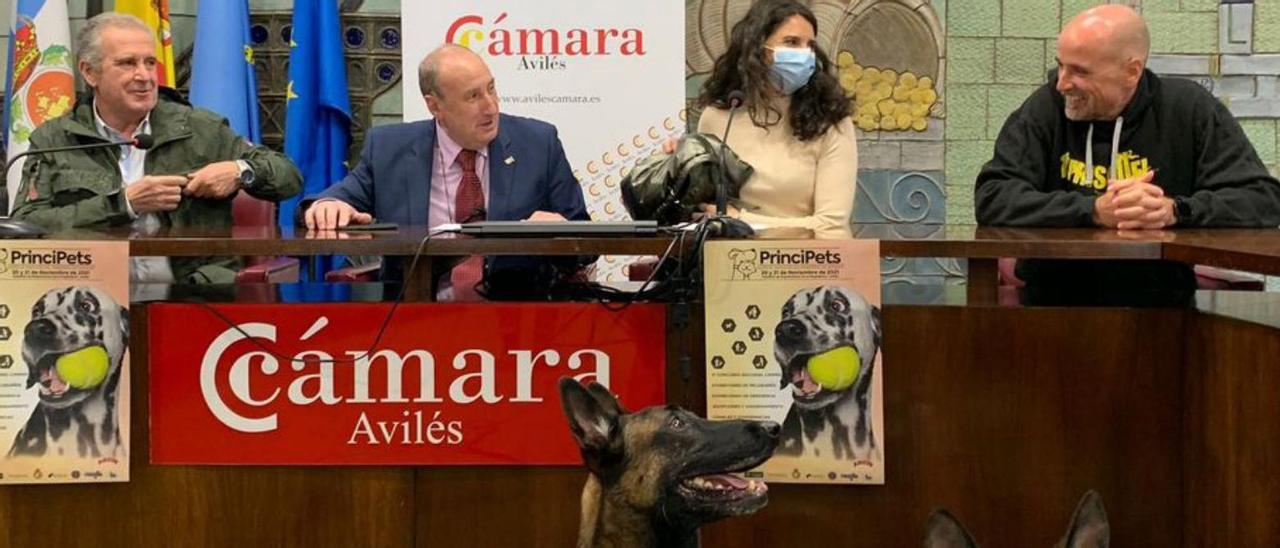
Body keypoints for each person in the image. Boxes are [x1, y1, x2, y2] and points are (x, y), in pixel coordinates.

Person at [975, 5, 1280, 299]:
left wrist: (1173, 211)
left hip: (1165, 303)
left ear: (1131, 71)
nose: (1062, 83)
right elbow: (993, 196)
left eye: (1079, 71)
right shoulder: (1046, 107)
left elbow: (1262, 201)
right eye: (1061, 65)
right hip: (1048, 299)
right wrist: (1094, 211)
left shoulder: (1188, 109)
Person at [12, 13, 302, 284]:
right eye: (127, 63)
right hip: (92, 293)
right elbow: (26, 226)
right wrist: (124, 203)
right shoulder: (54, 140)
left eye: (150, 63)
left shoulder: (199, 127)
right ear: (90, 72)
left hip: (192, 291)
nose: (145, 76)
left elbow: (288, 176)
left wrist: (241, 170)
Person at [301, 44, 589, 297]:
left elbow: (587, 246)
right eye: (473, 96)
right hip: (414, 316)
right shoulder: (389, 149)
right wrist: (328, 205)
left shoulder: (538, 143)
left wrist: (558, 232)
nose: (491, 107)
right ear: (434, 105)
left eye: (491, 89)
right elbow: (334, 199)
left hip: (515, 317)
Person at [691, 0, 857, 232]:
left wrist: (741, 220)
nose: (804, 54)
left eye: (809, 45)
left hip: (812, 262)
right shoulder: (719, 118)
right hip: (732, 260)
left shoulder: (830, 120)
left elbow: (831, 224)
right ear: (756, 48)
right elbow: (706, 211)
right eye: (791, 42)